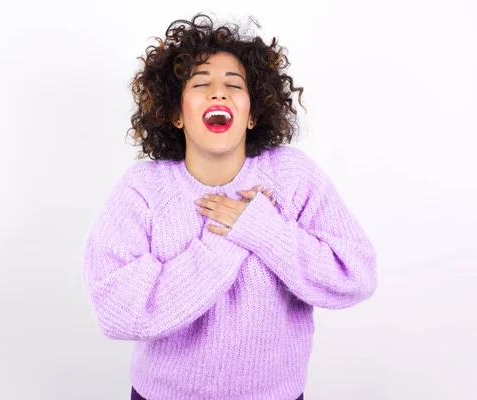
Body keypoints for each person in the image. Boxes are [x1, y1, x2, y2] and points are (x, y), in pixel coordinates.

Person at [82, 12, 377, 400]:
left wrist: (268, 231)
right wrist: (228, 240)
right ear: (176, 114)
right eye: (201, 84)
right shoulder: (143, 189)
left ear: (253, 114)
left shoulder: (291, 176)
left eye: (233, 85)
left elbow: (355, 275)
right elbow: (117, 309)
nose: (217, 93)